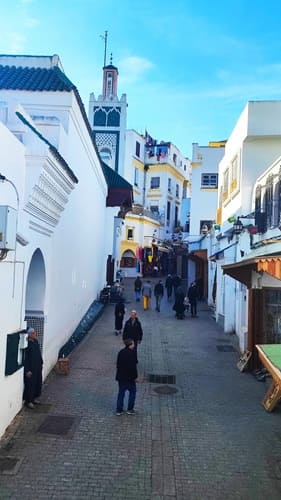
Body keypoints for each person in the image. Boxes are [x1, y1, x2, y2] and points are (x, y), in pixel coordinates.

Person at [115, 338, 138, 416]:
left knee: (121, 393)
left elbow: (118, 365)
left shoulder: (121, 352)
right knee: (132, 392)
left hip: (121, 377)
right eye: (133, 344)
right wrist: (135, 377)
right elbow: (133, 367)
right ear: (130, 345)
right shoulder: (132, 354)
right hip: (129, 379)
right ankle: (130, 409)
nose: (134, 345)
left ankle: (119, 410)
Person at [23, 328, 43, 409]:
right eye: (33, 333)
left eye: (34, 333)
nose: (35, 334)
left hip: (37, 367)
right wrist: (27, 370)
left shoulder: (36, 342)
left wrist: (41, 363)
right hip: (31, 368)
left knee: (37, 382)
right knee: (30, 384)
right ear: (30, 334)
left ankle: (34, 398)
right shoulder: (27, 344)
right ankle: (29, 401)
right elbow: (26, 358)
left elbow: (38, 353)